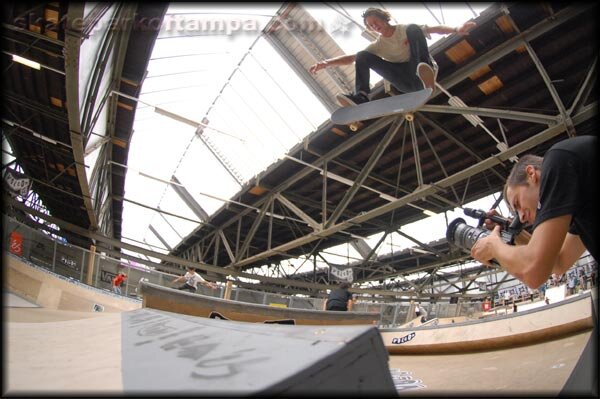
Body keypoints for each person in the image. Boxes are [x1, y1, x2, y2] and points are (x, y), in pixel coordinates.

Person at [471, 135, 598, 290]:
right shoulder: (580, 208)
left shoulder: (558, 160)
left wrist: (493, 245)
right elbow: (557, 263)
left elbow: (534, 272)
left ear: (531, 174)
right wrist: (513, 231)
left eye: (517, 203)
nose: (522, 217)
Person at [309, 7, 476, 105]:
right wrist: (326, 63)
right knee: (362, 55)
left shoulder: (405, 29)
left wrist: (456, 29)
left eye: (376, 22)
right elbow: (353, 58)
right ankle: (360, 96)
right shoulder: (379, 45)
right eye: (371, 26)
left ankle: (426, 71)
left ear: (384, 19)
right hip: (403, 81)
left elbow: (435, 29)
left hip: (420, 72)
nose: (375, 27)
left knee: (414, 29)